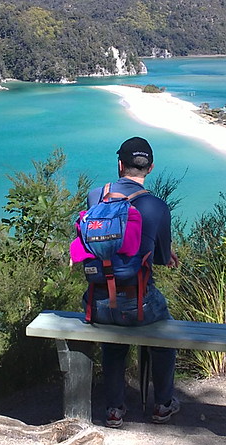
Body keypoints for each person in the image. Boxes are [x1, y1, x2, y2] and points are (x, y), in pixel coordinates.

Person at [82, 136, 180, 428]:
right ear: (150, 168)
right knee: (165, 336)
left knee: (114, 343)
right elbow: (161, 258)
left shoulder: (95, 195)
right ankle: (162, 404)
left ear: (119, 164)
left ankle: (114, 410)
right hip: (139, 305)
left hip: (97, 303)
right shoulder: (157, 206)